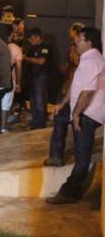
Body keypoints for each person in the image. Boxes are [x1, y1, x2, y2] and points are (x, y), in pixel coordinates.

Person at [46, 27, 105, 204]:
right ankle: (58, 160)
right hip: (83, 111)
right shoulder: (88, 59)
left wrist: (77, 114)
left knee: (82, 156)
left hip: (88, 114)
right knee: (60, 118)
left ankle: (68, 193)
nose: (75, 43)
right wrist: (63, 104)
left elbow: (87, 92)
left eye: (78, 40)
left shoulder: (91, 60)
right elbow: (76, 85)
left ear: (89, 43)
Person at [24, 27, 52, 129]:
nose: (30, 41)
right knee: (33, 101)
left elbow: (41, 61)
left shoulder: (46, 47)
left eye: (31, 39)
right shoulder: (32, 48)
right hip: (32, 77)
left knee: (40, 101)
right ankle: (35, 122)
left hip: (41, 76)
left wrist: (27, 59)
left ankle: (40, 124)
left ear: (38, 37)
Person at [2, 24, 23, 132]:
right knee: (5, 104)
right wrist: (18, 83)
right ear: (10, 34)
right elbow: (19, 68)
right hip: (9, 79)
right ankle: (3, 126)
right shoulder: (16, 48)